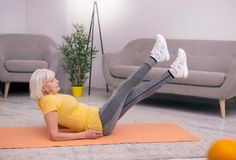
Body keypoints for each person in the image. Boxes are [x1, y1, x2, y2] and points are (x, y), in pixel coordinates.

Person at [29, 34, 188, 141]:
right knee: (124, 87)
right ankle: (155, 57)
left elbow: (60, 121)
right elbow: (54, 135)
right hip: (99, 122)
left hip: (100, 116)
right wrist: (84, 134)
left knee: (136, 93)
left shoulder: (49, 100)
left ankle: (174, 72)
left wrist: (72, 126)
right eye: (52, 80)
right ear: (43, 87)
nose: (57, 80)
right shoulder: (48, 102)